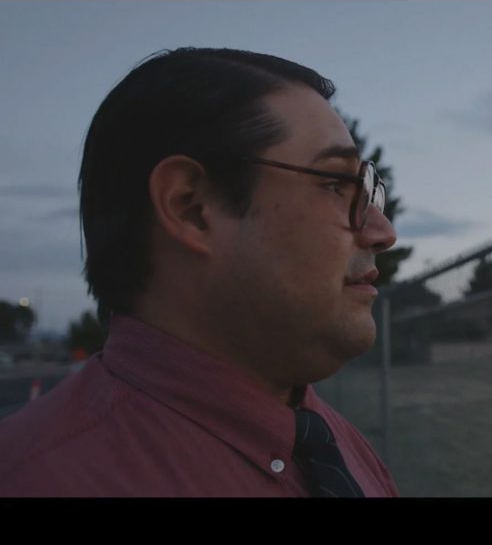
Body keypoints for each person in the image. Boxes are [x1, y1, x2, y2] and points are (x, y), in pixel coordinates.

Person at [0, 48, 400, 497]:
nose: (383, 231)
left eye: (370, 192)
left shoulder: (341, 449)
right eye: (334, 184)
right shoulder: (32, 479)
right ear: (190, 207)